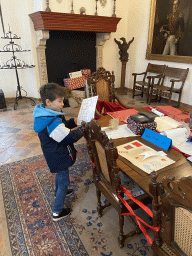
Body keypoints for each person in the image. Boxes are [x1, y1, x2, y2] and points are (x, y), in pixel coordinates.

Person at [33, 83, 83, 221]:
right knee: (63, 181)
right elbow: (68, 137)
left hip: (53, 154)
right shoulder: (52, 121)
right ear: (48, 102)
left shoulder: (45, 115)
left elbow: (60, 129)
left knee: (60, 177)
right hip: (59, 156)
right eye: (60, 101)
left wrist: (73, 122)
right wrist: (83, 129)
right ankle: (57, 211)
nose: (62, 104)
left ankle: (59, 192)